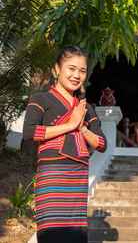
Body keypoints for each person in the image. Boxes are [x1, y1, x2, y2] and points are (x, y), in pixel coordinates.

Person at [23, 45, 107, 243]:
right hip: (52, 178)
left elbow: (102, 143)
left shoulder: (86, 108)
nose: (77, 75)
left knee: (76, 236)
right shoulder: (41, 99)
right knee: (52, 234)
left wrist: (82, 128)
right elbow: (30, 132)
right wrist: (70, 124)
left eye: (82, 70)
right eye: (71, 68)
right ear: (57, 69)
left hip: (77, 179)